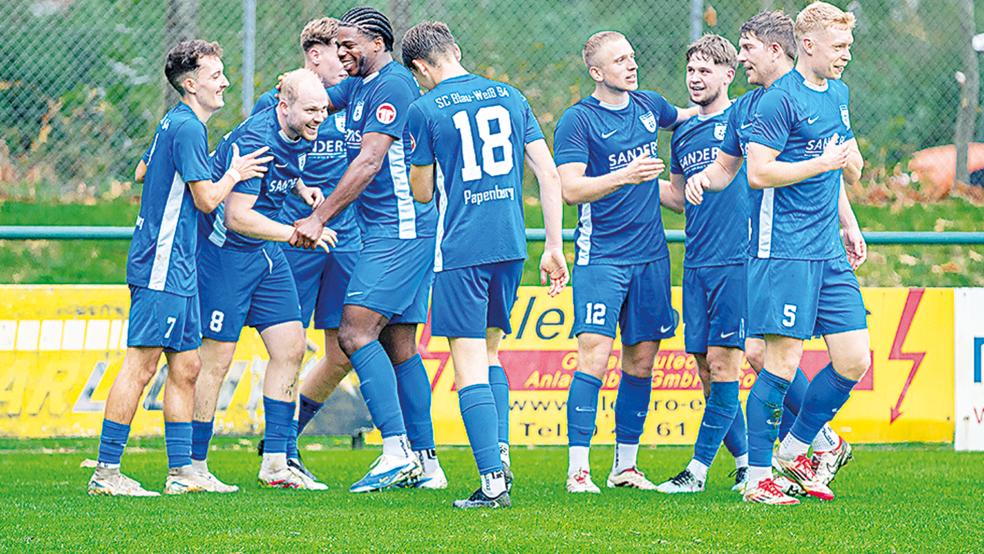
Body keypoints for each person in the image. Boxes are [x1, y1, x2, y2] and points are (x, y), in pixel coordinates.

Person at [690, 2, 868, 504]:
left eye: (848, 47)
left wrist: (848, 219)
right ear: (805, 44)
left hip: (827, 251)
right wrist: (825, 161)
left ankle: (797, 446)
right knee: (776, 362)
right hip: (783, 249)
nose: (846, 56)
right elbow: (756, 173)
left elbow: (845, 167)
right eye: (839, 47)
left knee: (854, 359)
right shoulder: (772, 102)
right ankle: (757, 478)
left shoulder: (838, 93)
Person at [88, 40, 271, 496]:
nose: (224, 81)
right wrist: (234, 172)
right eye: (215, 75)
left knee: (187, 366)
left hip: (180, 266)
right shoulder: (188, 128)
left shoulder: (179, 123)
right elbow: (207, 199)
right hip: (162, 264)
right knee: (141, 365)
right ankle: (106, 474)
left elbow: (140, 171)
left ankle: (183, 472)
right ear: (191, 84)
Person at [402, 21, 569, 508]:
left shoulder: (424, 108)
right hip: (512, 246)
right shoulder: (511, 95)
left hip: (460, 251)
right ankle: (500, 457)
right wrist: (555, 246)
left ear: (420, 67)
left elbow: (423, 193)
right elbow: (548, 172)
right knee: (492, 353)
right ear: (455, 49)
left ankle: (492, 483)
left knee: (468, 364)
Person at [289, 6, 444, 493]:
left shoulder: (393, 84)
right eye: (335, 48)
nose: (341, 55)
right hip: (395, 230)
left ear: (378, 43)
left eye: (349, 45)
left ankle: (395, 451)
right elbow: (316, 100)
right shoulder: (359, 84)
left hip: (400, 230)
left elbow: (370, 161)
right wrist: (280, 102)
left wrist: (317, 217)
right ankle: (427, 463)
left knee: (355, 333)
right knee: (399, 345)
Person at [553, 31, 695, 493]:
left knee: (641, 360)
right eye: (619, 60)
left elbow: (695, 116)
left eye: (632, 57)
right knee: (594, 353)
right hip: (603, 256)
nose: (631, 66)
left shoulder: (650, 105)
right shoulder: (578, 121)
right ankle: (579, 469)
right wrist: (625, 176)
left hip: (651, 257)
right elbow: (571, 189)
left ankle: (625, 466)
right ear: (597, 72)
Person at [191, 68, 335, 491]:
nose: (319, 118)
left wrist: (301, 188)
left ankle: (275, 463)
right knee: (214, 363)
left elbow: (281, 172)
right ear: (284, 106)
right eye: (311, 110)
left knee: (291, 346)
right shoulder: (258, 139)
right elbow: (237, 217)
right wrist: (297, 230)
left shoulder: (294, 129)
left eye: (323, 110)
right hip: (224, 256)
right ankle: (194, 467)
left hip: (263, 254)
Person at [248, 17, 359, 489]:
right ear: (316, 54)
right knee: (288, 346)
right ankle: (281, 453)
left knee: (345, 351)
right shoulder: (277, 105)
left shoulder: (359, 96)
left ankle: (282, 439)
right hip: (294, 242)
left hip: (348, 240)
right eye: (341, 50)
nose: (349, 58)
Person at [655, 34, 747, 495]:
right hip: (697, 262)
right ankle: (748, 464)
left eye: (705, 71)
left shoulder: (745, 120)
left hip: (738, 259)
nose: (695, 78)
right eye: (691, 70)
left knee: (726, 363)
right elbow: (678, 195)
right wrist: (638, 177)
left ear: (728, 75)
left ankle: (696, 470)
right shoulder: (684, 132)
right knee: (706, 369)